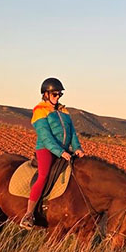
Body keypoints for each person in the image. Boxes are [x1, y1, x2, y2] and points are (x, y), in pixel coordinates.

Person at [20, 77, 85, 230]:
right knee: (44, 175)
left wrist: (77, 148)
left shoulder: (64, 111)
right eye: (54, 95)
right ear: (46, 94)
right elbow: (45, 136)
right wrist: (60, 152)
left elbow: (72, 133)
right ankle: (29, 214)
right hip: (46, 149)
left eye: (59, 95)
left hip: (64, 150)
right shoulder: (40, 111)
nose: (57, 98)